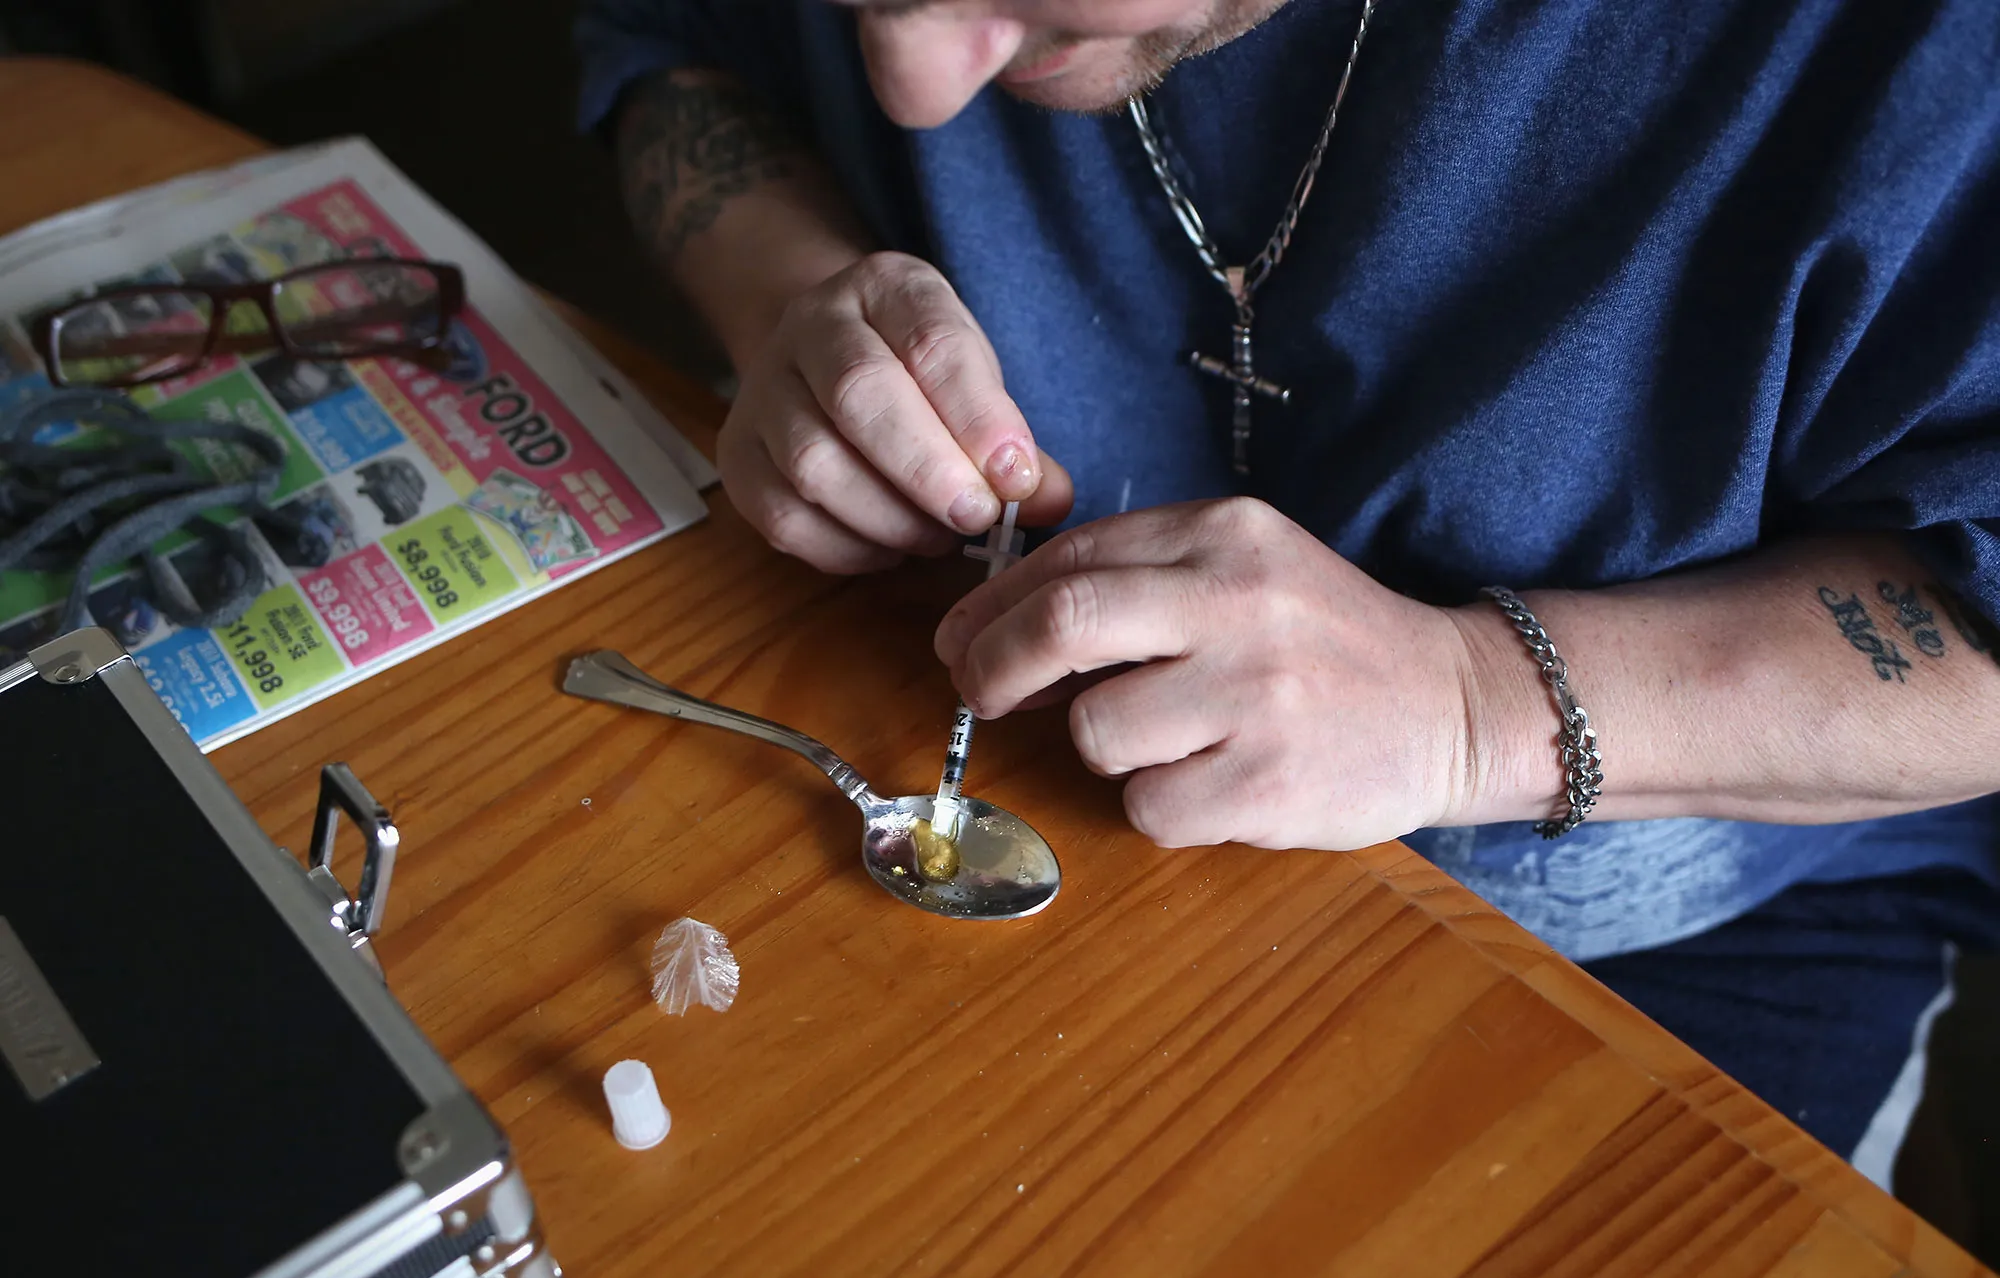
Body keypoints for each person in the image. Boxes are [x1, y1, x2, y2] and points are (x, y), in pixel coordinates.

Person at [576, 0, 2000, 1175]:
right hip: (1045, 780)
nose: (917, 86)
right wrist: (788, 297)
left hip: (1673, 946)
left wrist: (1468, 708)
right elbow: (673, 55)